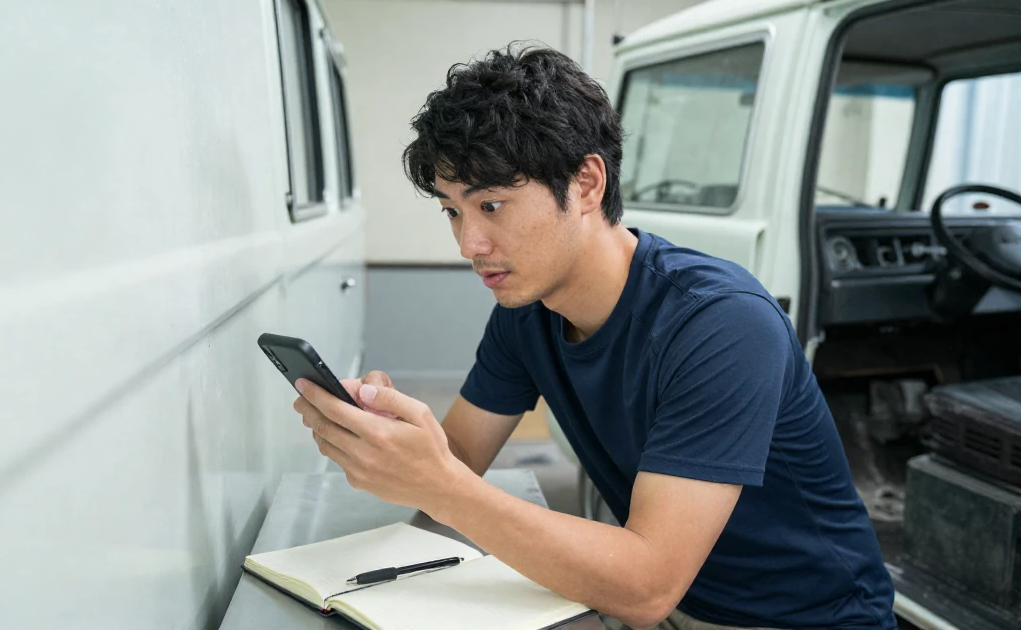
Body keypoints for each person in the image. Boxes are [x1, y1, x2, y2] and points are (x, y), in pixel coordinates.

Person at [291, 43, 897, 630]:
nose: (468, 245)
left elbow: (646, 586)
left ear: (586, 184)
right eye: (453, 211)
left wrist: (436, 481)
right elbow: (460, 461)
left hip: (803, 617)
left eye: (492, 206)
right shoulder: (525, 307)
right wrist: (391, 437)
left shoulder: (721, 323)